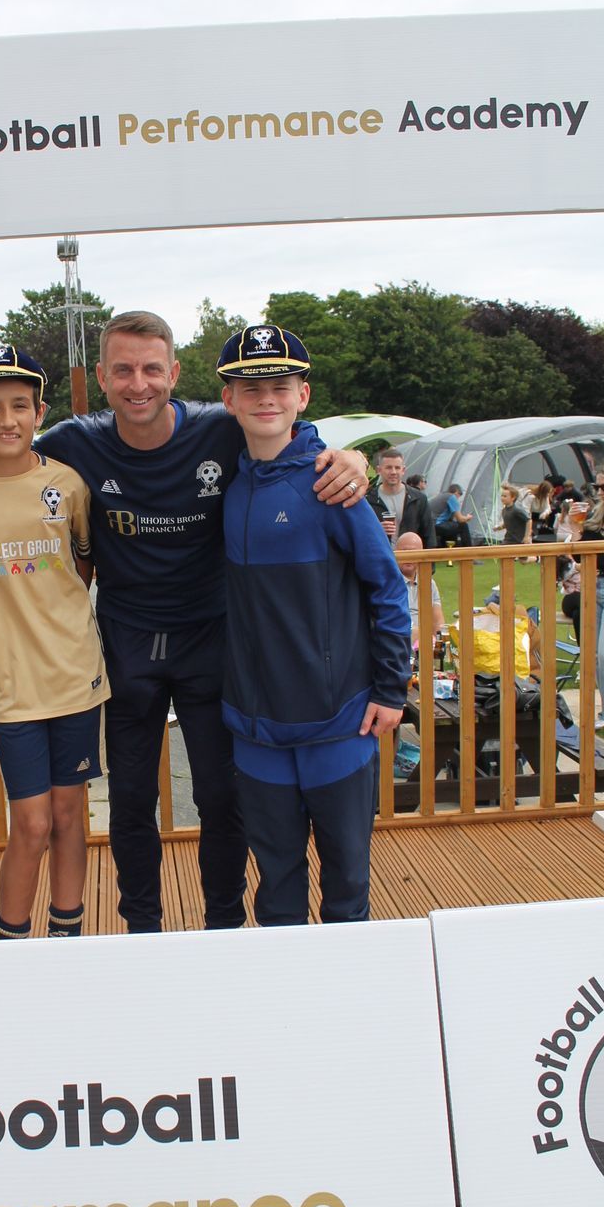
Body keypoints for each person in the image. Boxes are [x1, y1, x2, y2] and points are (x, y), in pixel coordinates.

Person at [36, 310, 369, 934]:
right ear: (102, 378)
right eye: (123, 371)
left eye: (152, 369)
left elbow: (286, 426)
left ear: (175, 372)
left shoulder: (218, 429)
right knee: (132, 800)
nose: (139, 384)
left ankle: (223, 924)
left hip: (212, 641)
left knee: (220, 795)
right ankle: (142, 926)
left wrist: (350, 456)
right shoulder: (73, 442)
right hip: (127, 644)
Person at [216, 326, 410, 926]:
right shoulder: (227, 484)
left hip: (338, 725)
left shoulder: (333, 485)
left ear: (303, 396)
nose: (265, 399)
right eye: (251, 388)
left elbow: (387, 588)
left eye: (280, 386)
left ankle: (348, 987)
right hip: (256, 729)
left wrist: (391, 690)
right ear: (228, 400)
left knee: (347, 881)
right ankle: (288, 986)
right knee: (276, 884)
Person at [0, 345, 110, 941]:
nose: (6, 420)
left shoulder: (67, 484)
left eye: (18, 406)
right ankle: (8, 945)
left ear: (39, 412)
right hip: (8, 685)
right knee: (30, 824)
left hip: (74, 675)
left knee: (68, 816)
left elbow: (82, 565)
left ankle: (66, 939)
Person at [566, 469, 604, 730]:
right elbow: (581, 557)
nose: (601, 492)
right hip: (595, 586)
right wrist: (575, 527)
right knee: (596, 656)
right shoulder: (597, 518)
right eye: (599, 487)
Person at [367, 449, 437, 548]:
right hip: (381, 554)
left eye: (397, 468)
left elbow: (429, 535)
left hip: (410, 556)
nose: (393, 472)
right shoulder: (369, 500)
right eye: (388, 468)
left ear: (403, 470)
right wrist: (376, 530)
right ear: (379, 470)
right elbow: (359, 533)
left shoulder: (418, 499)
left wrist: (429, 557)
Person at [395, 532, 445, 654]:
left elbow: (438, 622)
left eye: (413, 552)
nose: (409, 557)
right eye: (404, 552)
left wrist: (439, 644)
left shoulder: (429, 583)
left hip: (427, 643)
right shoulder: (390, 583)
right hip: (401, 643)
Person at [434, 484, 474, 548]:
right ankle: (468, 550)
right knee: (463, 525)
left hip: (431, 526)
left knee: (453, 527)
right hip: (437, 525)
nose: (458, 498)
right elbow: (460, 519)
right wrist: (467, 517)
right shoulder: (451, 497)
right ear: (456, 492)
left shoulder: (441, 496)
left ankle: (446, 549)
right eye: (459, 494)